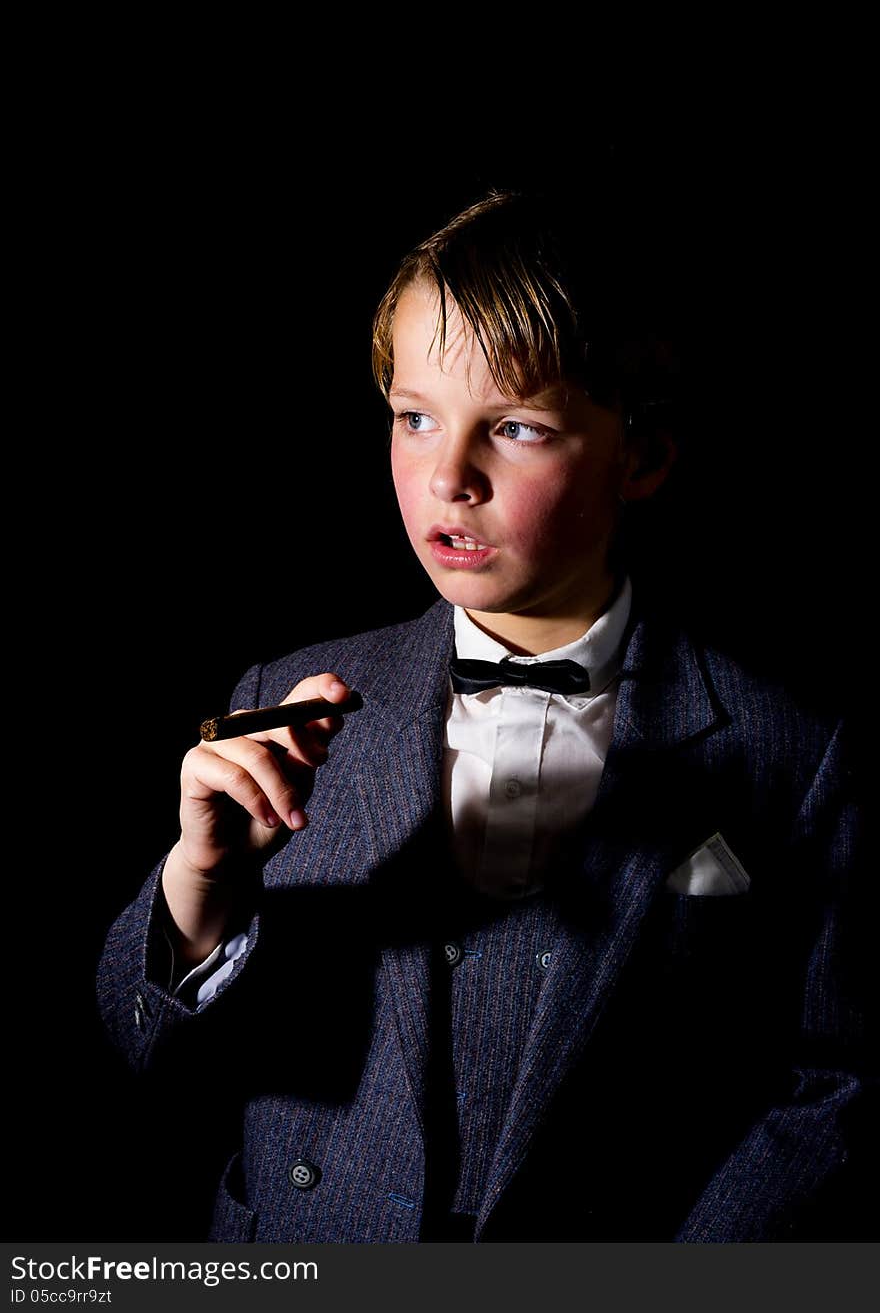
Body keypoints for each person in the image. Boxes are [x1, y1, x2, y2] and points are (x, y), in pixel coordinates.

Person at [97, 188, 867, 1242]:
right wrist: (200, 887)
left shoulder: (790, 750)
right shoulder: (288, 689)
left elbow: (831, 1087)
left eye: (513, 427)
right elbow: (144, 1056)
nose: (446, 476)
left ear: (638, 455)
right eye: (414, 416)